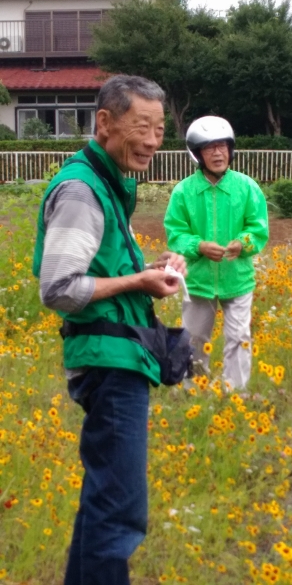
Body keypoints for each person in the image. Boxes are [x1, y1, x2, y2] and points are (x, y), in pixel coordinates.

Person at [33, 75, 186, 585]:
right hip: (109, 364)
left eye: (160, 129)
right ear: (104, 122)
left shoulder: (107, 182)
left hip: (114, 357)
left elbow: (101, 269)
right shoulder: (81, 190)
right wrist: (138, 280)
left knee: (105, 502)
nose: (151, 140)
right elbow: (58, 287)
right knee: (119, 510)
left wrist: (149, 272)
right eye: (141, 126)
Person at [164, 115, 269, 390]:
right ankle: (193, 390)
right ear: (198, 153)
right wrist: (197, 246)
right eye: (210, 147)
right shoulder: (183, 192)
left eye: (222, 146)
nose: (218, 152)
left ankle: (235, 393)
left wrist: (242, 243)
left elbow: (257, 228)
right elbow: (175, 233)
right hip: (198, 280)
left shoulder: (247, 187)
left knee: (239, 336)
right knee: (196, 337)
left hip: (237, 278)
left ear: (230, 149)